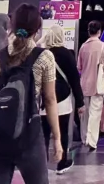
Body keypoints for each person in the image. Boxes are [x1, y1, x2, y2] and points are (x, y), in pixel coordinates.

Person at [0, 4, 62, 184]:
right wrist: (57, 139)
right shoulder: (45, 57)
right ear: (38, 28)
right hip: (29, 136)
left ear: (11, 26)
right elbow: (50, 100)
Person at [40, 24, 83, 174]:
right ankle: (62, 163)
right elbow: (74, 79)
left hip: (43, 100)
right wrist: (80, 102)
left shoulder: (42, 54)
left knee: (43, 133)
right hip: (63, 99)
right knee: (63, 131)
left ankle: (41, 165)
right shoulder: (66, 54)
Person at [77, 19, 104, 151]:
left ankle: (84, 138)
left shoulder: (83, 47)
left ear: (89, 32)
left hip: (84, 84)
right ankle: (92, 140)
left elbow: (79, 67)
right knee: (95, 114)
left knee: (84, 114)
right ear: (99, 32)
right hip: (98, 85)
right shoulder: (103, 46)